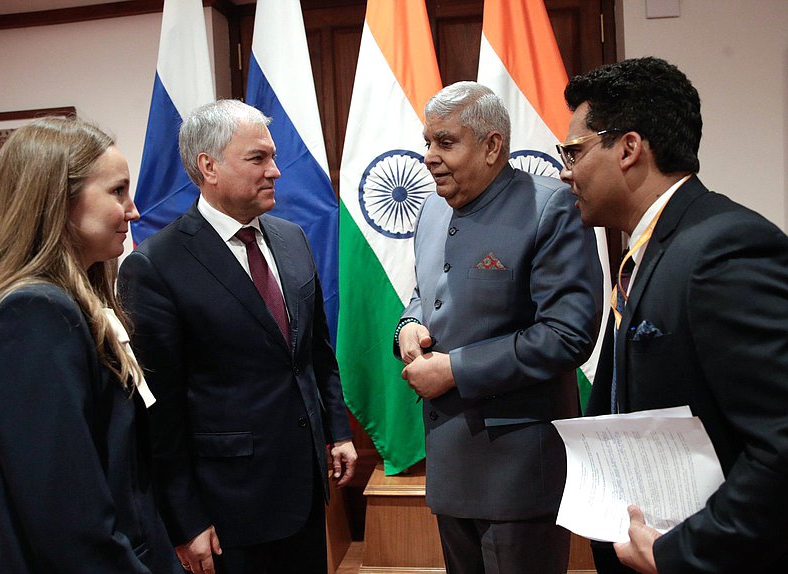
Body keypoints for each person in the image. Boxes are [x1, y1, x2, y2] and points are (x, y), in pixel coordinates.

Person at [559, 56, 788, 574]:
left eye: (574, 151)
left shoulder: (722, 249)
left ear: (629, 148)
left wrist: (680, 553)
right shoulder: (652, 249)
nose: (564, 170)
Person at [118, 99, 356, 574]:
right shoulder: (155, 266)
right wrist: (185, 521)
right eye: (258, 159)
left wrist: (337, 430)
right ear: (209, 166)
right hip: (228, 508)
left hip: (307, 488)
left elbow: (314, 353)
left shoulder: (291, 238)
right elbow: (160, 412)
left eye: (272, 156)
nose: (276, 171)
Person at [395, 81, 602, 574]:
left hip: (518, 476)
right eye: (427, 142)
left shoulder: (551, 206)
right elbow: (426, 291)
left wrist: (455, 370)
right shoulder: (429, 209)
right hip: (449, 466)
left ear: (492, 146)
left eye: (445, 142)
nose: (429, 157)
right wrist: (407, 325)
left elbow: (567, 333)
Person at [0, 117, 179, 573]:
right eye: (118, 191)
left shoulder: (74, 301)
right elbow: (67, 515)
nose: (135, 210)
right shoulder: (30, 313)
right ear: (57, 202)